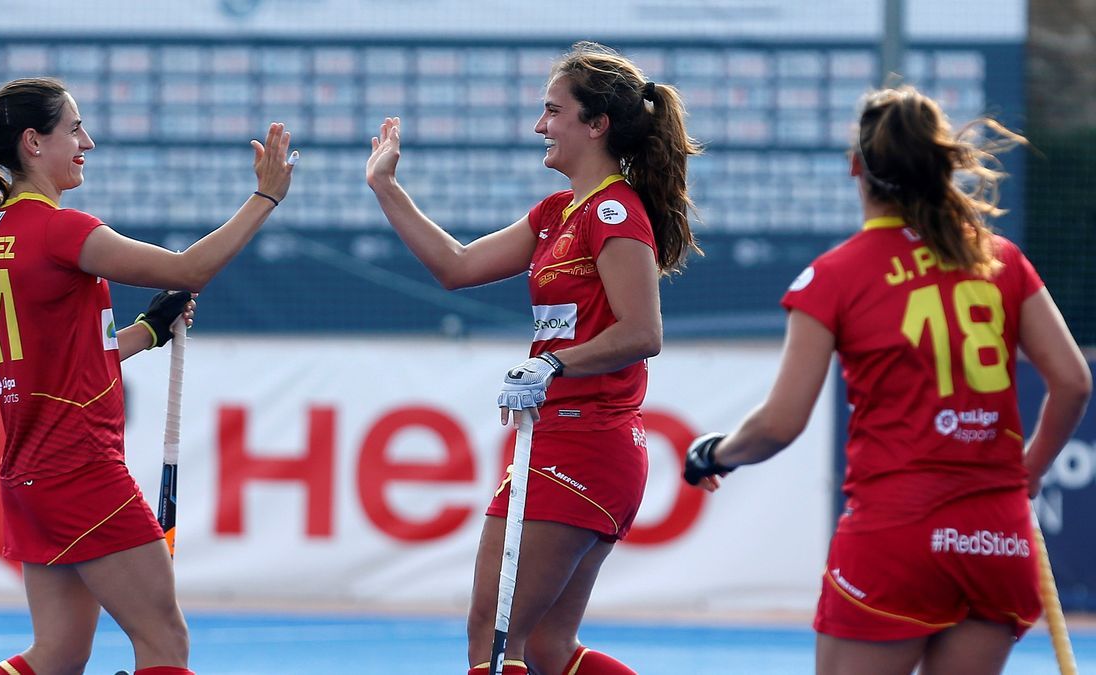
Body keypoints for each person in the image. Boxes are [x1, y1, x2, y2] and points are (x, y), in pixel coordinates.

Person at [683, 85, 1092, 675]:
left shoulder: (835, 275)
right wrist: (1027, 473)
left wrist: (716, 454)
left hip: (896, 536)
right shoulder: (999, 259)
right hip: (995, 539)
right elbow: (1073, 382)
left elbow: (781, 422)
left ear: (857, 167)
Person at [0, 77, 296, 675]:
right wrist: (266, 198)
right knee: (165, 645)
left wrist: (148, 330)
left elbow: (68, 357)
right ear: (32, 142)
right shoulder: (61, 231)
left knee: (58, 655)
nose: (87, 142)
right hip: (81, 468)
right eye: (73, 128)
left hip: (32, 470)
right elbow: (189, 267)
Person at [367, 41, 701, 675]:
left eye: (553, 111)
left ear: (596, 124)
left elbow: (643, 331)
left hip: (583, 445)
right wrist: (386, 187)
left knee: (494, 647)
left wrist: (553, 365)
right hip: (569, 444)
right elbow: (455, 267)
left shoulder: (612, 210)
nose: (539, 126)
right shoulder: (557, 213)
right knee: (548, 651)